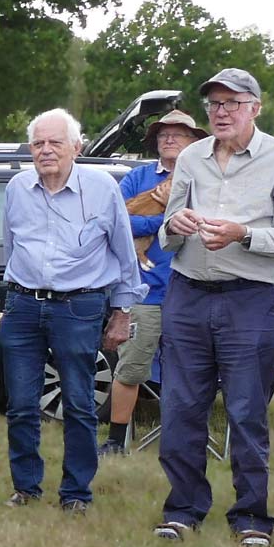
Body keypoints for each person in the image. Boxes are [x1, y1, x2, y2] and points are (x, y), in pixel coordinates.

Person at [155, 67, 274, 547]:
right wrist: (175, 224)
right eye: (215, 104)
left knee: (246, 412)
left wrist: (243, 234)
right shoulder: (192, 157)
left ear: (255, 109)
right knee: (180, 409)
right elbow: (164, 231)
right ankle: (182, 509)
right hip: (187, 295)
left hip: (249, 300)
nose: (222, 112)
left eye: (233, 103)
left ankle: (250, 516)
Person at [0, 108, 141, 511]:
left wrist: (122, 311)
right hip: (23, 304)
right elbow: (13, 247)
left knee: (79, 403)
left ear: (76, 147)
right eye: (38, 143)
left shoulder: (101, 188)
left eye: (55, 143)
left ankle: (76, 493)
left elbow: (123, 254)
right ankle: (26, 488)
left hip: (79, 307)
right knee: (21, 404)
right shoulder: (16, 188)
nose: (45, 151)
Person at [102, 109, 205, 453]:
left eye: (178, 134)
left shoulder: (206, 180)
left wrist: (157, 220)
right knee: (130, 369)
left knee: (191, 372)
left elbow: (209, 225)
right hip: (144, 293)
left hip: (192, 290)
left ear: (194, 142)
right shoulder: (137, 178)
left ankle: (185, 441)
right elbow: (113, 222)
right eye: (163, 135)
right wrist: (165, 221)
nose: (170, 139)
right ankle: (116, 441)